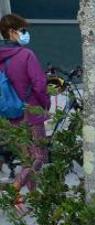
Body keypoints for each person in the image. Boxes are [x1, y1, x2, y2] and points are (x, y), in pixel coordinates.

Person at [0, 14, 49, 207]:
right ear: (12, 32)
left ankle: (34, 196)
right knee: (39, 156)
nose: (25, 33)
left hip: (11, 115)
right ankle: (16, 185)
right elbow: (39, 84)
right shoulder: (26, 54)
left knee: (26, 158)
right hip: (32, 112)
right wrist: (45, 105)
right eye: (22, 30)